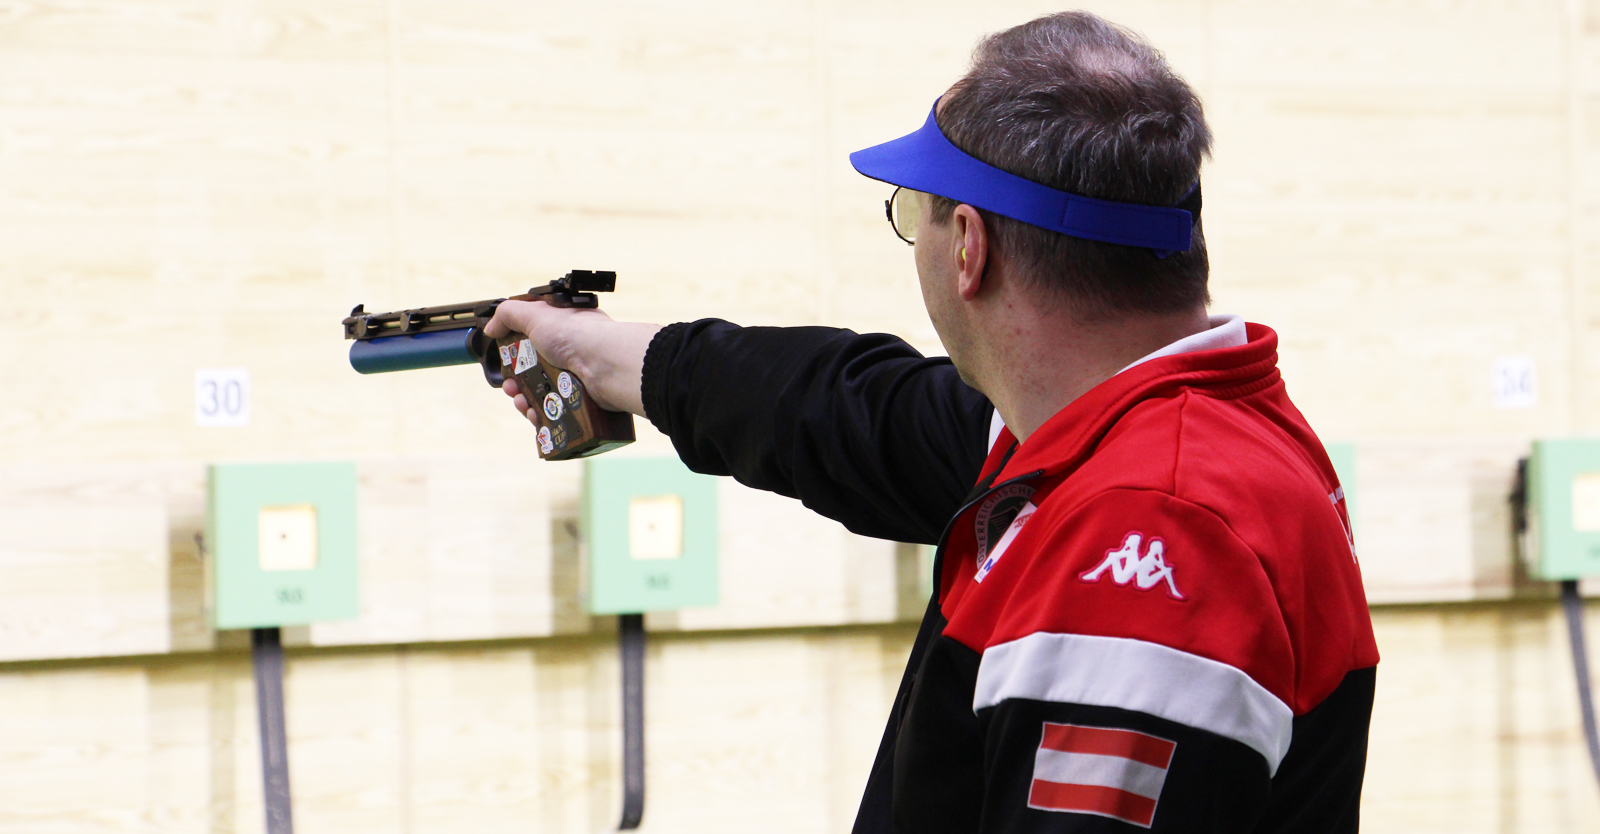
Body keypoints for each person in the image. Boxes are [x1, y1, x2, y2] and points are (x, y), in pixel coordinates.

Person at [486, 11, 1378, 833]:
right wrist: (607, 355)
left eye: (912, 217)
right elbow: (845, 408)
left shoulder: (1149, 526)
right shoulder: (1128, 432)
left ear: (968, 246)